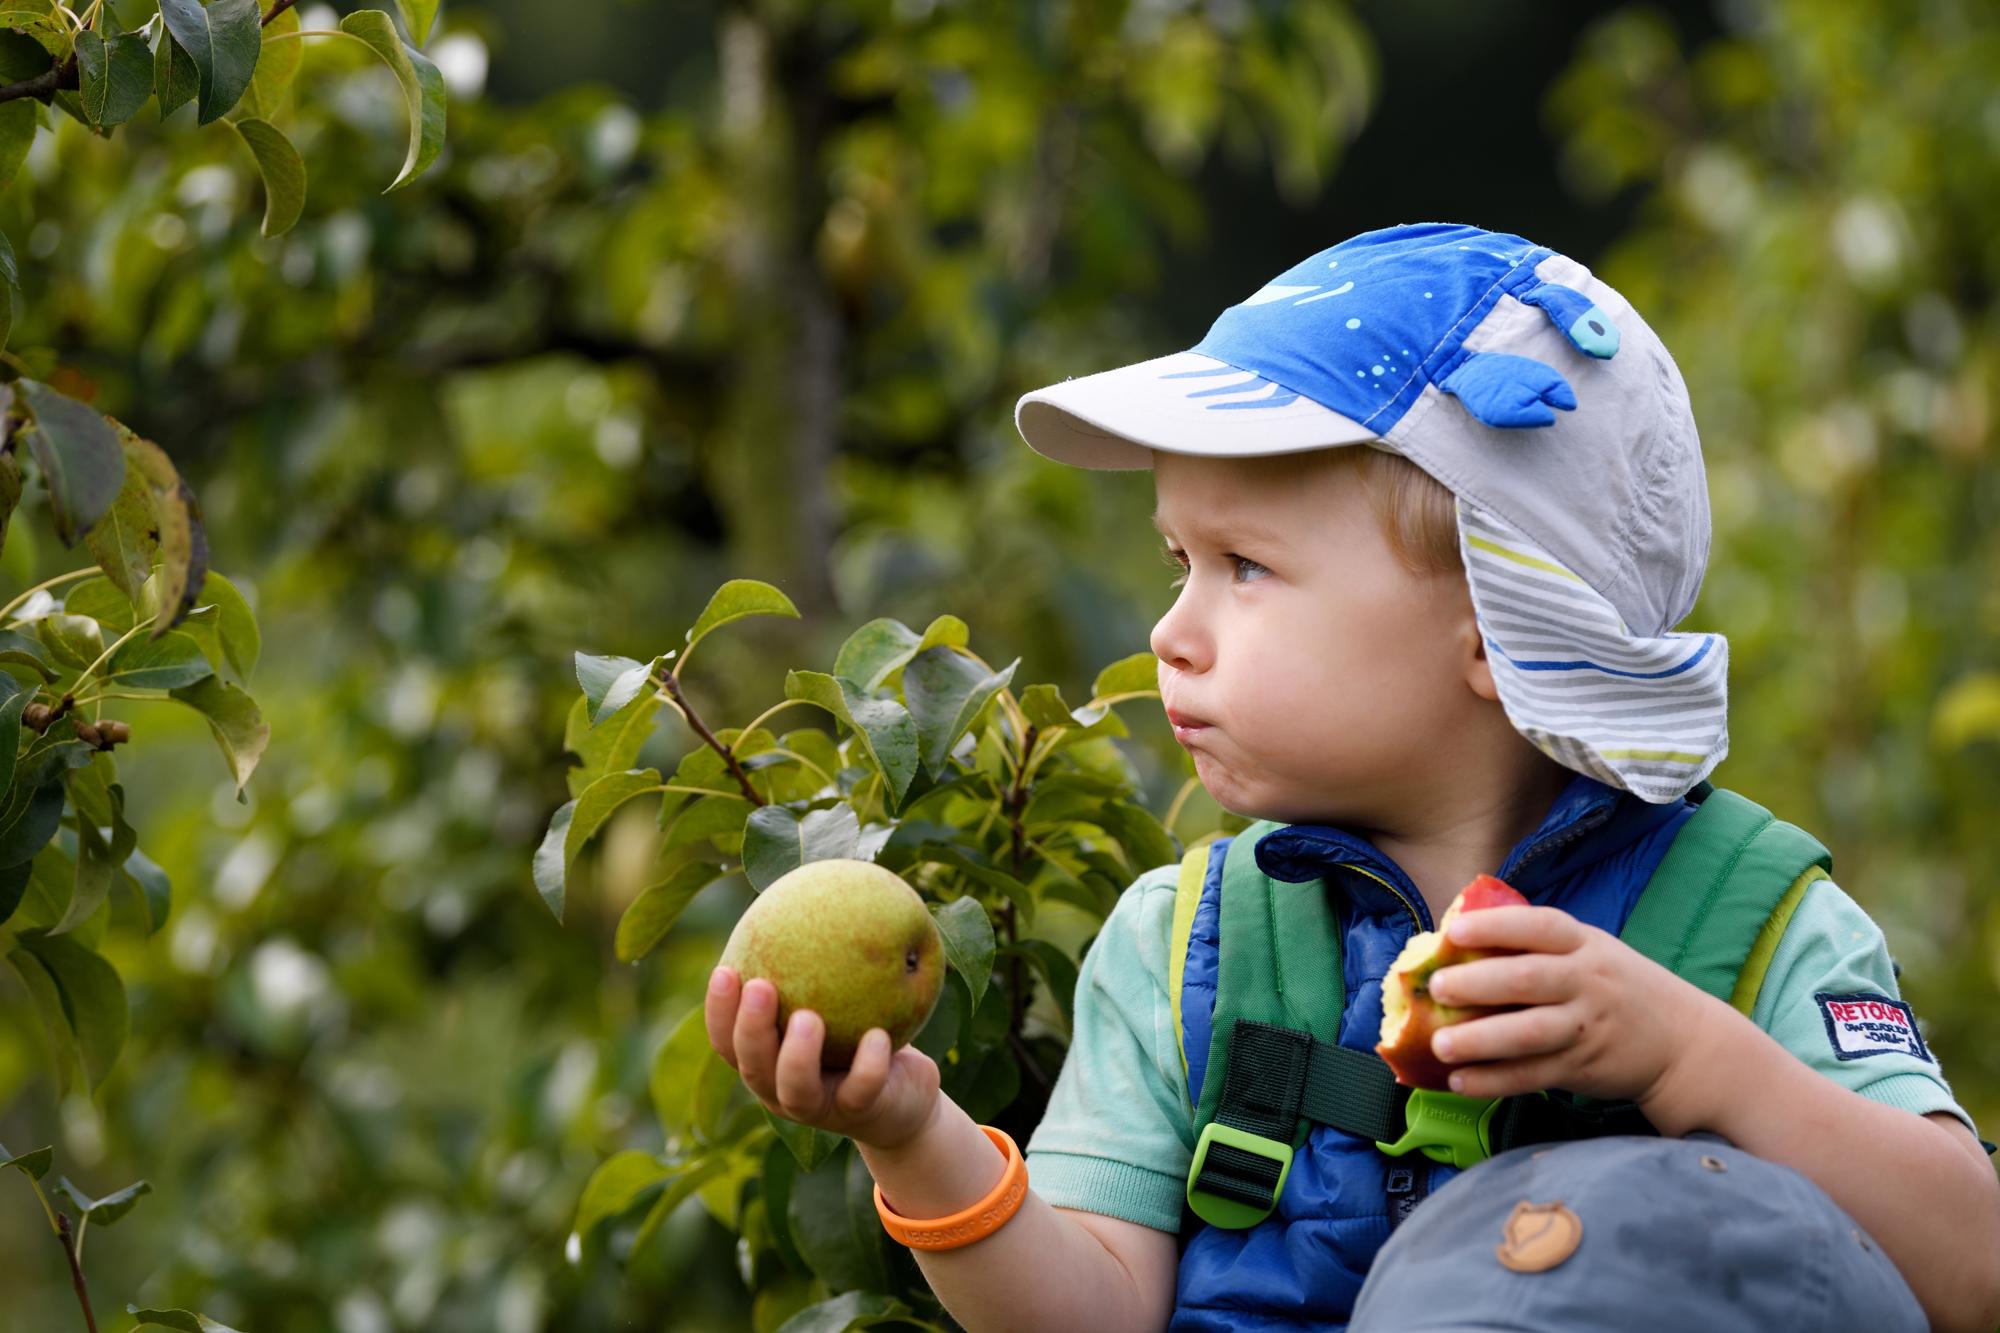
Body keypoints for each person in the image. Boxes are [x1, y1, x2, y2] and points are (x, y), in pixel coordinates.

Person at [703, 222, 2000, 1331]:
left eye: (1247, 567)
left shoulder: (1748, 917)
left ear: (1499, 625)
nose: (1173, 632)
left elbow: (1973, 1270)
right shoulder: (1186, 945)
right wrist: (910, 1134)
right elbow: (1093, 1306)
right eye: (1177, 561)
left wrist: (1690, 1053)